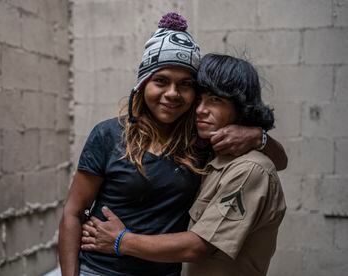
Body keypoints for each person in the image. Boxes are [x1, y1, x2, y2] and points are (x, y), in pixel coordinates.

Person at [59, 12, 287, 276]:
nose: (172, 94)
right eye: (161, 81)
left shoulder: (200, 141)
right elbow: (73, 213)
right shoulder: (108, 135)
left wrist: (256, 136)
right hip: (100, 271)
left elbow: (279, 162)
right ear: (143, 84)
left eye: (185, 85)